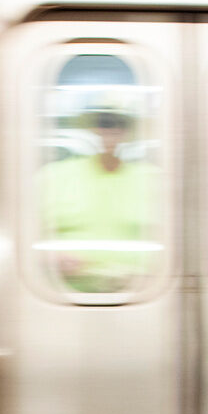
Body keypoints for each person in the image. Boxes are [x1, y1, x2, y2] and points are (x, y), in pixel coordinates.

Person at [38, 103, 159, 294]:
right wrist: (51, 258)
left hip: (144, 294)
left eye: (119, 125)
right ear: (90, 130)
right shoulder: (53, 176)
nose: (110, 132)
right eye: (103, 124)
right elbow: (22, 239)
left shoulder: (153, 179)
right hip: (66, 295)